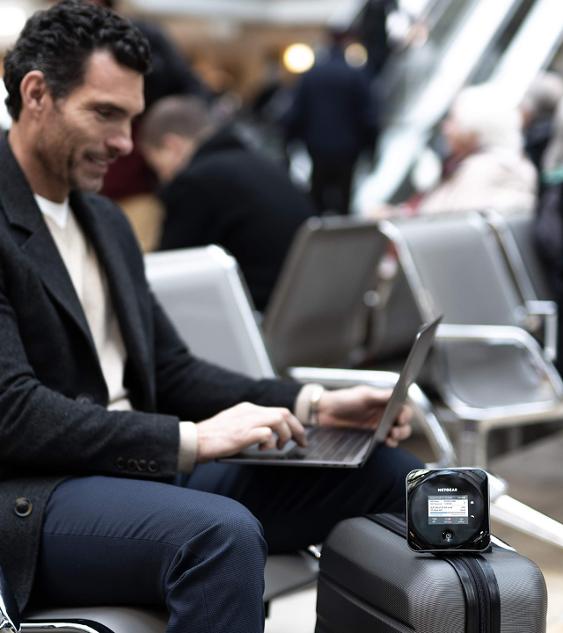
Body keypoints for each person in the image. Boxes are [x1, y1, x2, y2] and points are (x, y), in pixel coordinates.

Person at [0, 3, 420, 633]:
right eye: (105, 114)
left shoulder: (104, 220)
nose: (125, 143)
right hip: (36, 495)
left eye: (132, 118)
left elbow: (171, 369)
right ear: (37, 94)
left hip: (139, 472)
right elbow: (13, 414)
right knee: (219, 536)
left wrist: (312, 403)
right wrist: (190, 440)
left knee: (394, 477)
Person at [140, 95, 316, 311]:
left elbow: (169, 268)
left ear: (172, 145)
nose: (162, 178)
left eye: (157, 167)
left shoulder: (196, 181)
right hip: (301, 302)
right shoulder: (259, 163)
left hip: (254, 310)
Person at [282, 28, 378, 215]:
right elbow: (368, 116)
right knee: (344, 201)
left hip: (317, 148)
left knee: (316, 199)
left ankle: (318, 227)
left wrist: (288, 142)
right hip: (348, 150)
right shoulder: (356, 75)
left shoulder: (311, 75)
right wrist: (371, 148)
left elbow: (296, 113)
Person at [417, 83, 538, 216]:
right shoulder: (460, 166)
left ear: (474, 132)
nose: (446, 128)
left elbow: (451, 219)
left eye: (453, 120)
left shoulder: (489, 169)